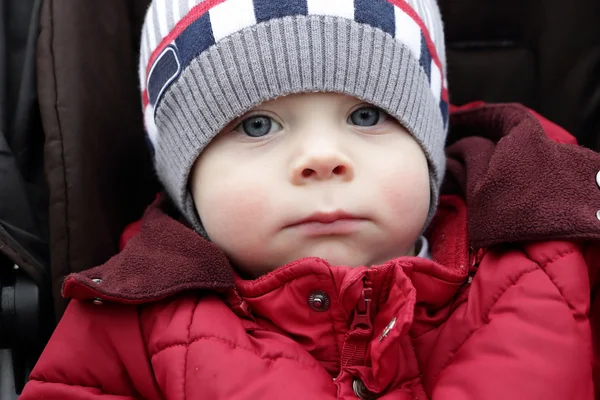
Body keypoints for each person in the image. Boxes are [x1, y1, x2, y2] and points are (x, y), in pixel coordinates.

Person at [21, 0, 600, 398]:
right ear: (185, 181)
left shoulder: (551, 260)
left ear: (429, 146)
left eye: (366, 115)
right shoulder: (126, 329)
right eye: (257, 126)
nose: (322, 157)